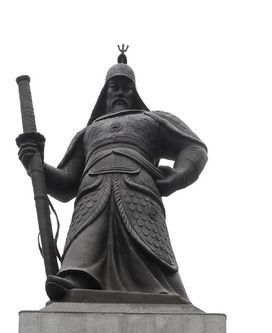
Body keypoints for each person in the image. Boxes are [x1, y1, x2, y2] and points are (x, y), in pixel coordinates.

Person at [17, 52, 207, 303]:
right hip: (93, 192)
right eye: (114, 87)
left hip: (137, 188)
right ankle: (78, 278)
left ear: (134, 93)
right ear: (104, 93)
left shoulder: (152, 120)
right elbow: (66, 182)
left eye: (126, 88)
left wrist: (178, 176)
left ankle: (158, 289)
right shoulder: (88, 132)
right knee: (87, 238)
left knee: (146, 243)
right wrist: (36, 165)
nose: (120, 92)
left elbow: (194, 148)